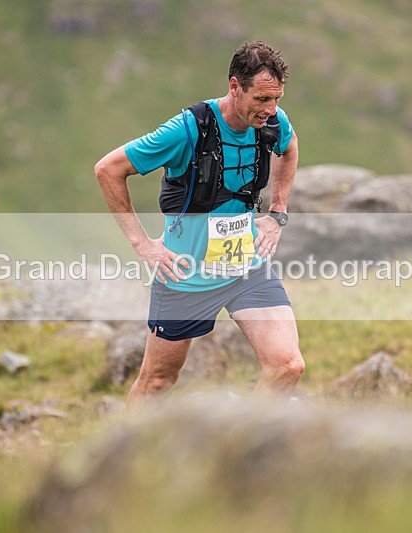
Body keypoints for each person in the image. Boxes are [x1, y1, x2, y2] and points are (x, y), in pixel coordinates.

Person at [94, 41, 304, 406]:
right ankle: (127, 444)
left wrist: (277, 212)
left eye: (276, 99)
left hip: (245, 266)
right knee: (157, 382)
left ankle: (239, 440)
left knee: (288, 366)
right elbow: (108, 169)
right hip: (186, 275)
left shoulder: (272, 121)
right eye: (261, 99)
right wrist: (142, 244)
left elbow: (288, 146)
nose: (271, 110)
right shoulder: (187, 130)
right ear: (235, 86)